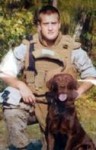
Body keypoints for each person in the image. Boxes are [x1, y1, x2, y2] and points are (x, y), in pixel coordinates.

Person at [0, 5, 96, 150]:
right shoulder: (27, 47)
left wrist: (78, 92)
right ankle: (23, 147)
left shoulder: (72, 48)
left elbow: (92, 76)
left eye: (53, 23)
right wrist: (21, 85)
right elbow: (4, 72)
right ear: (39, 26)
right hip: (32, 102)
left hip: (59, 109)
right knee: (11, 109)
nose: (50, 28)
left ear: (59, 25)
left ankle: (43, 144)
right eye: (46, 24)